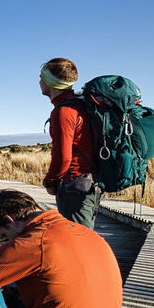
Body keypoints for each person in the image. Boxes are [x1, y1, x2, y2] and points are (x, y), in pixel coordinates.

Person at [40, 56, 101, 228]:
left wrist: (50, 181)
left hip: (75, 184)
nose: (39, 81)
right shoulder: (78, 104)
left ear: (49, 81)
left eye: (41, 77)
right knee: (83, 234)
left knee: (78, 237)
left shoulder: (64, 111)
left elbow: (63, 157)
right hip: (87, 181)